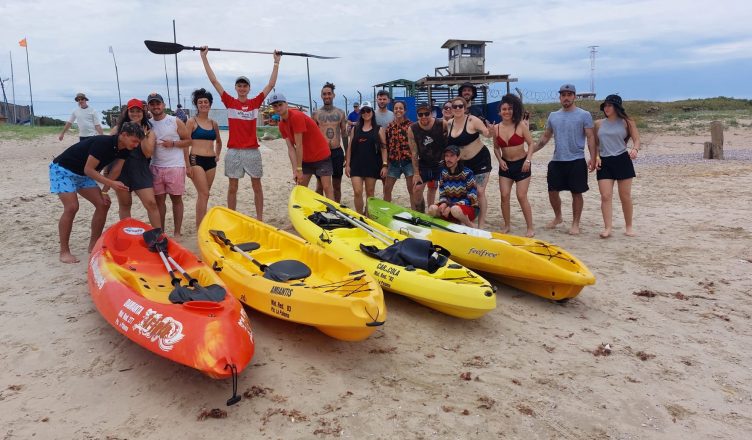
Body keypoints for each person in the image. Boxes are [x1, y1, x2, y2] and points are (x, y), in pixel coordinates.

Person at [200, 46, 281, 220]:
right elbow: (214, 81)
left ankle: (259, 218)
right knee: (232, 187)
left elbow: (271, 85)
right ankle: (233, 217)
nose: (242, 88)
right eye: (239, 85)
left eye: (245, 86)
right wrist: (204, 57)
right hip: (234, 151)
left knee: (257, 186)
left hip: (252, 151)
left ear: (249, 88)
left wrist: (276, 62)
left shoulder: (255, 103)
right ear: (236, 88)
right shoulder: (230, 102)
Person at [49, 122, 144, 263]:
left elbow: (116, 170)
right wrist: (111, 184)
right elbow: (89, 169)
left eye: (138, 142)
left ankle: (93, 245)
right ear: (124, 135)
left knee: (103, 204)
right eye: (134, 141)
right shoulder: (103, 143)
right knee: (72, 207)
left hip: (82, 175)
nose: (136, 145)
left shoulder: (126, 148)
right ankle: (64, 251)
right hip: (63, 170)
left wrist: (105, 192)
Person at [534, 84, 597, 235]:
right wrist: (530, 151)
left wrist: (593, 157)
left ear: (574, 96)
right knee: (552, 190)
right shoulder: (553, 116)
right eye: (563, 95)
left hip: (576, 159)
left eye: (569, 95)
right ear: (560, 97)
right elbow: (545, 137)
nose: (566, 98)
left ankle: (575, 223)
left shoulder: (584, 115)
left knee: (576, 192)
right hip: (557, 160)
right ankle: (558, 217)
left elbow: (590, 137)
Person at [109, 99, 161, 229]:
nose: (135, 114)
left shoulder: (149, 131)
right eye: (132, 111)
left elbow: (148, 153)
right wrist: (107, 173)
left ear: (143, 113)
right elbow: (109, 151)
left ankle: (159, 234)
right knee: (125, 204)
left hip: (140, 169)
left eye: (138, 111)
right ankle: (127, 233)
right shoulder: (117, 130)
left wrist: (142, 135)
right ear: (127, 112)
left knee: (151, 203)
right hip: (121, 170)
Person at [270, 93, 334, 199]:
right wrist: (295, 170)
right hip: (306, 159)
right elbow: (291, 148)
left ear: (286, 104)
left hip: (321, 156)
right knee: (300, 187)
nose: (278, 108)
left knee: (326, 187)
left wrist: (299, 168)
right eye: (275, 106)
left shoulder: (296, 116)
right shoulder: (281, 124)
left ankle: (333, 209)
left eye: (280, 104)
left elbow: (299, 145)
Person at [594, 94, 640, 238]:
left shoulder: (627, 122)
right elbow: (595, 144)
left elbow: (637, 140)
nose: (606, 108)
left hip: (622, 160)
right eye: (605, 105)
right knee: (605, 196)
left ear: (617, 107)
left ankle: (629, 227)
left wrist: (635, 149)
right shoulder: (598, 124)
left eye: (610, 105)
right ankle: (608, 228)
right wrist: (596, 157)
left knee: (625, 196)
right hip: (604, 161)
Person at [147, 92, 190, 238]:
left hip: (175, 166)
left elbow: (188, 141)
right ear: (148, 107)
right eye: (152, 104)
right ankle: (161, 232)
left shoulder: (175, 121)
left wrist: (173, 143)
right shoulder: (148, 124)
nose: (155, 106)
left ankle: (177, 232)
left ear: (163, 105)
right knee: (159, 201)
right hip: (155, 166)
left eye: (158, 103)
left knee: (176, 199)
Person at [493, 94, 536, 237]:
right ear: (500, 111)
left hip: (522, 164)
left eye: (509, 109)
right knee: (504, 195)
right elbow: (496, 148)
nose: (507, 112)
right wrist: (500, 160)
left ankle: (530, 227)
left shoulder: (521, 125)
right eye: (504, 109)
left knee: (521, 196)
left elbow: (531, 143)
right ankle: (507, 225)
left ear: (514, 110)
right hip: (506, 165)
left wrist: (528, 160)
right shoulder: (496, 128)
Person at [447, 96, 491, 228]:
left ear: (465, 108)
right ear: (451, 108)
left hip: (480, 159)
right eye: (454, 106)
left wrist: (491, 131)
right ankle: (463, 218)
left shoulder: (472, 120)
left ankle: (481, 224)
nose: (457, 108)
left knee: (479, 192)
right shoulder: (449, 123)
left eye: (460, 106)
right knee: (463, 192)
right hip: (463, 163)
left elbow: (487, 133)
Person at [186, 88, 223, 228]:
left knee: (205, 195)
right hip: (196, 160)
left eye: (205, 102)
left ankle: (202, 224)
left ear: (210, 104)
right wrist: (187, 165)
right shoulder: (192, 121)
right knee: (204, 193)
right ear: (196, 105)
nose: (203, 104)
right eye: (200, 102)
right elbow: (185, 144)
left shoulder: (213, 123)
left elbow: (219, 141)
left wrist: (217, 154)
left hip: (211, 162)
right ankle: (200, 227)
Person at [345, 101, 387, 213]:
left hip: (372, 165)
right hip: (356, 164)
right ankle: (359, 216)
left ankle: (368, 215)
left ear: (372, 112)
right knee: (357, 192)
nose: (366, 113)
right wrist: (347, 164)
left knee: (370, 192)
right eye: (363, 111)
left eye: (368, 110)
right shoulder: (355, 129)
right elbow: (350, 147)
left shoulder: (379, 129)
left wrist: (384, 165)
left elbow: (384, 148)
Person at [409, 102, 447, 212]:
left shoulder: (441, 124)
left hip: (440, 162)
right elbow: (414, 152)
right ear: (417, 115)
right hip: (424, 163)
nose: (424, 116)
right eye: (420, 114)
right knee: (417, 189)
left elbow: (451, 141)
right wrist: (416, 173)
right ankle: (420, 212)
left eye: (426, 113)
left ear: (431, 113)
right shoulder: (413, 128)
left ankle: (431, 211)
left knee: (434, 188)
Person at [312, 82, 348, 202]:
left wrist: (347, 153)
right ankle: (320, 208)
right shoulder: (316, 114)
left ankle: (336, 209)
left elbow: (344, 133)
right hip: (321, 153)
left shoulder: (340, 113)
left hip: (337, 152)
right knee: (320, 186)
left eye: (329, 94)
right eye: (324, 94)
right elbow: (312, 135)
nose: (327, 96)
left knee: (337, 185)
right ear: (321, 96)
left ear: (333, 95)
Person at [428, 144, 478, 227]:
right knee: (432, 209)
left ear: (458, 158)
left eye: (452, 156)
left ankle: (471, 226)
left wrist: (452, 206)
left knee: (455, 209)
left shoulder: (468, 173)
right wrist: (444, 203)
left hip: (468, 208)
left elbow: (472, 198)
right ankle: (452, 223)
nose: (448, 159)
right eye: (446, 156)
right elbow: (443, 194)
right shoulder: (443, 173)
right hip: (450, 207)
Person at [383, 100, 415, 209]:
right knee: (387, 188)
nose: (398, 110)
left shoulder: (411, 126)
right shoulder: (390, 126)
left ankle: (415, 212)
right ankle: (386, 210)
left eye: (401, 108)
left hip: (408, 161)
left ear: (405, 110)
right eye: (396, 108)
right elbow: (387, 145)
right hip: (394, 162)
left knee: (412, 189)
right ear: (393, 110)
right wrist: (386, 163)